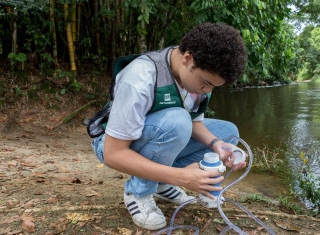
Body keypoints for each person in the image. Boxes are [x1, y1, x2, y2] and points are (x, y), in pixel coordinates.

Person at [90, 22, 248, 230]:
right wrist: (182, 178)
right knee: (177, 122)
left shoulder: (194, 79)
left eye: (213, 86)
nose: (206, 90)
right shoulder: (141, 76)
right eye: (205, 82)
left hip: (161, 133)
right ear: (187, 58)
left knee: (228, 134)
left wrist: (217, 144)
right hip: (111, 143)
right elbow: (113, 153)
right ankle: (139, 193)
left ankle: (161, 184)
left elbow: (194, 122)